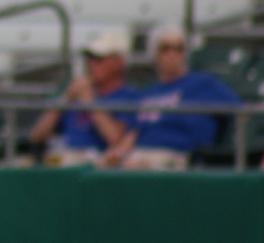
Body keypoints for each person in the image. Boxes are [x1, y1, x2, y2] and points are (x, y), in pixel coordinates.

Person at [103, 27, 241, 170]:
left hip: (182, 155)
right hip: (142, 154)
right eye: (165, 48)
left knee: (136, 167)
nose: (172, 54)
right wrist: (118, 154)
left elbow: (241, 113)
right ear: (154, 53)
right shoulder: (147, 92)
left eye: (179, 48)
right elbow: (133, 133)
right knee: (103, 167)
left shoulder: (203, 83)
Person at [28, 30, 139, 166]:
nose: (91, 64)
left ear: (118, 62)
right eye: (89, 58)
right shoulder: (74, 96)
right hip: (65, 156)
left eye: (99, 59)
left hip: (98, 161)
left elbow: (116, 139)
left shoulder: (129, 96)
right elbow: (37, 136)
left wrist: (89, 101)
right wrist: (64, 98)